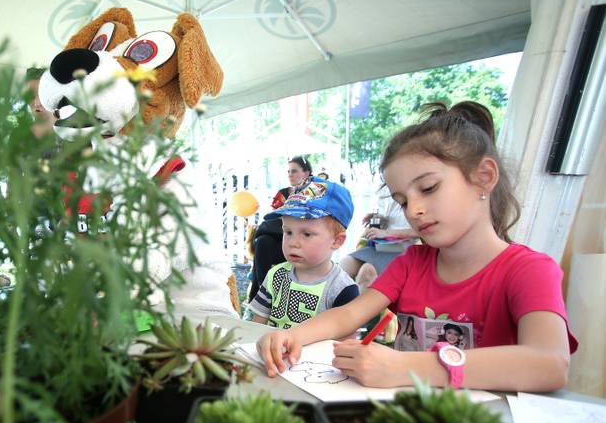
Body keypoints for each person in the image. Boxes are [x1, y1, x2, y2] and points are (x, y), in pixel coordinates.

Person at [256, 101, 577, 393]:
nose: (414, 210)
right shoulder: (412, 264)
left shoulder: (529, 270)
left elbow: (550, 364)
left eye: (428, 188)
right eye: (403, 201)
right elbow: (348, 315)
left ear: (484, 177)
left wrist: (407, 367)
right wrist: (293, 336)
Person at [246, 185, 359, 328]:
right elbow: (257, 327)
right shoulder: (275, 276)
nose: (293, 243)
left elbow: (345, 341)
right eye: (288, 232)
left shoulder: (342, 289)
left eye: (306, 234)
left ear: (337, 241)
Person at [248, 156, 314, 301]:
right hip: (282, 238)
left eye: (294, 171)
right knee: (263, 241)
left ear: (306, 173)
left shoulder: (315, 194)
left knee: (265, 235)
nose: (290, 174)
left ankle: (259, 295)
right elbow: (273, 215)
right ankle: (262, 291)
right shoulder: (283, 193)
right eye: (289, 171)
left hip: (303, 240)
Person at [340, 189, 420, 291]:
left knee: (367, 271)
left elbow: (419, 232)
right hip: (381, 246)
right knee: (344, 264)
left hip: (404, 250)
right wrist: (379, 219)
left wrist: (387, 233)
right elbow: (391, 221)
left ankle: (360, 305)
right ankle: (331, 303)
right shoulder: (389, 191)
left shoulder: (417, 196)